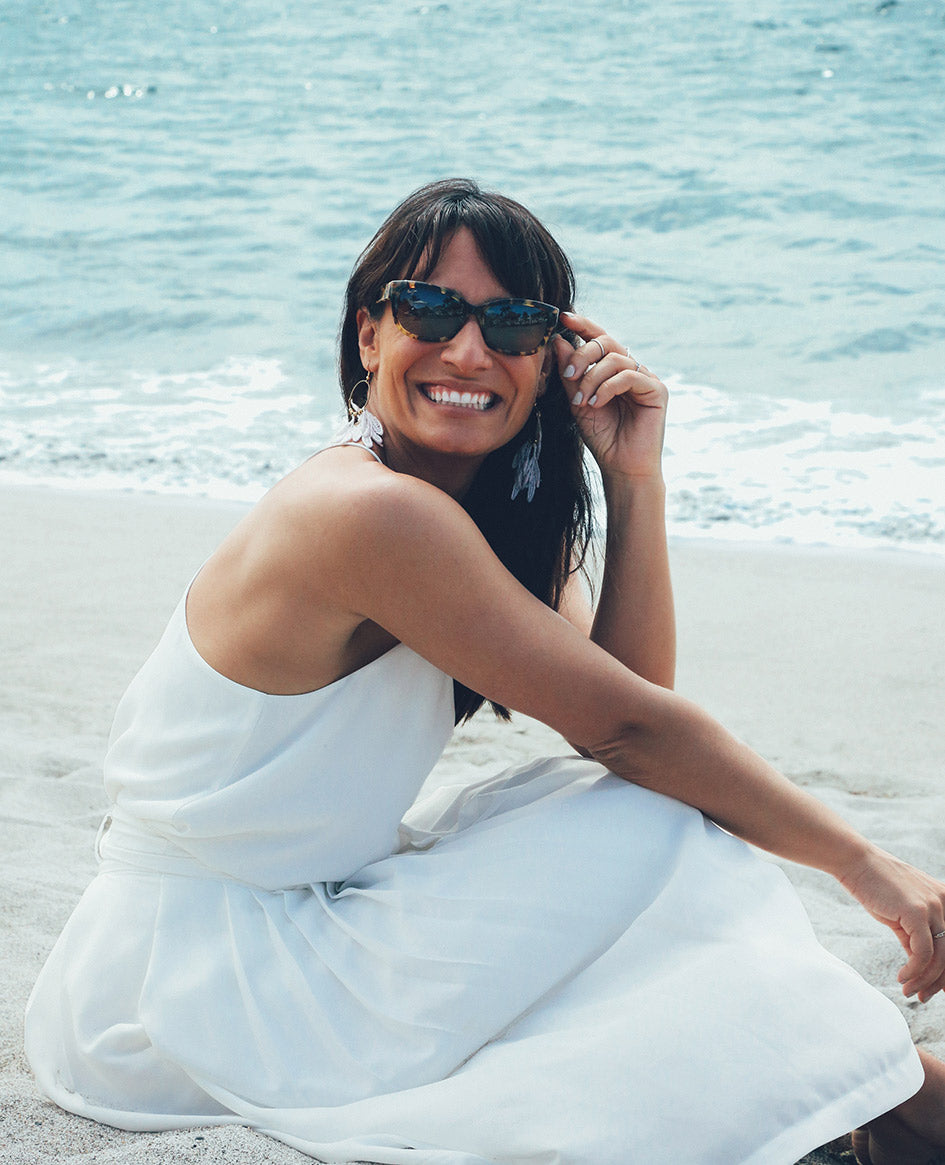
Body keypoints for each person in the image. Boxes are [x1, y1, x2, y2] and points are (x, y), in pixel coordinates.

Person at [25, 178, 945, 1165]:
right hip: (197, 981)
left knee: (639, 817)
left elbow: (632, 706)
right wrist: (861, 862)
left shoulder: (478, 519)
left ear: (554, 358)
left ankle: (876, 1094)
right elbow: (632, 732)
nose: (469, 351)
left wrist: (633, 484)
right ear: (369, 335)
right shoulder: (369, 512)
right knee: (651, 821)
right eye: (430, 309)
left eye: (513, 323)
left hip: (288, 926)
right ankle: (896, 1094)